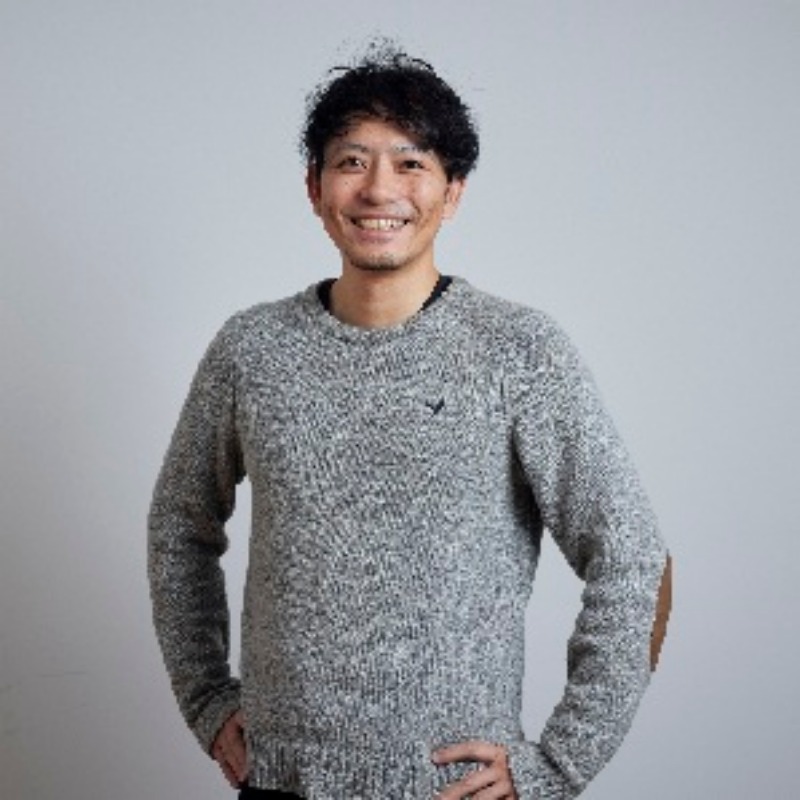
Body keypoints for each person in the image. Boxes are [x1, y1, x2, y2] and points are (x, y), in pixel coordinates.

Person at [148, 43, 672, 800]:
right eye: (352, 162)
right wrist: (205, 697)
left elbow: (633, 556)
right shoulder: (250, 350)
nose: (379, 189)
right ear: (314, 187)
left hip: (452, 791)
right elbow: (178, 526)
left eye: (411, 163)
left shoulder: (518, 351)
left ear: (452, 192)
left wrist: (559, 763)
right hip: (281, 781)